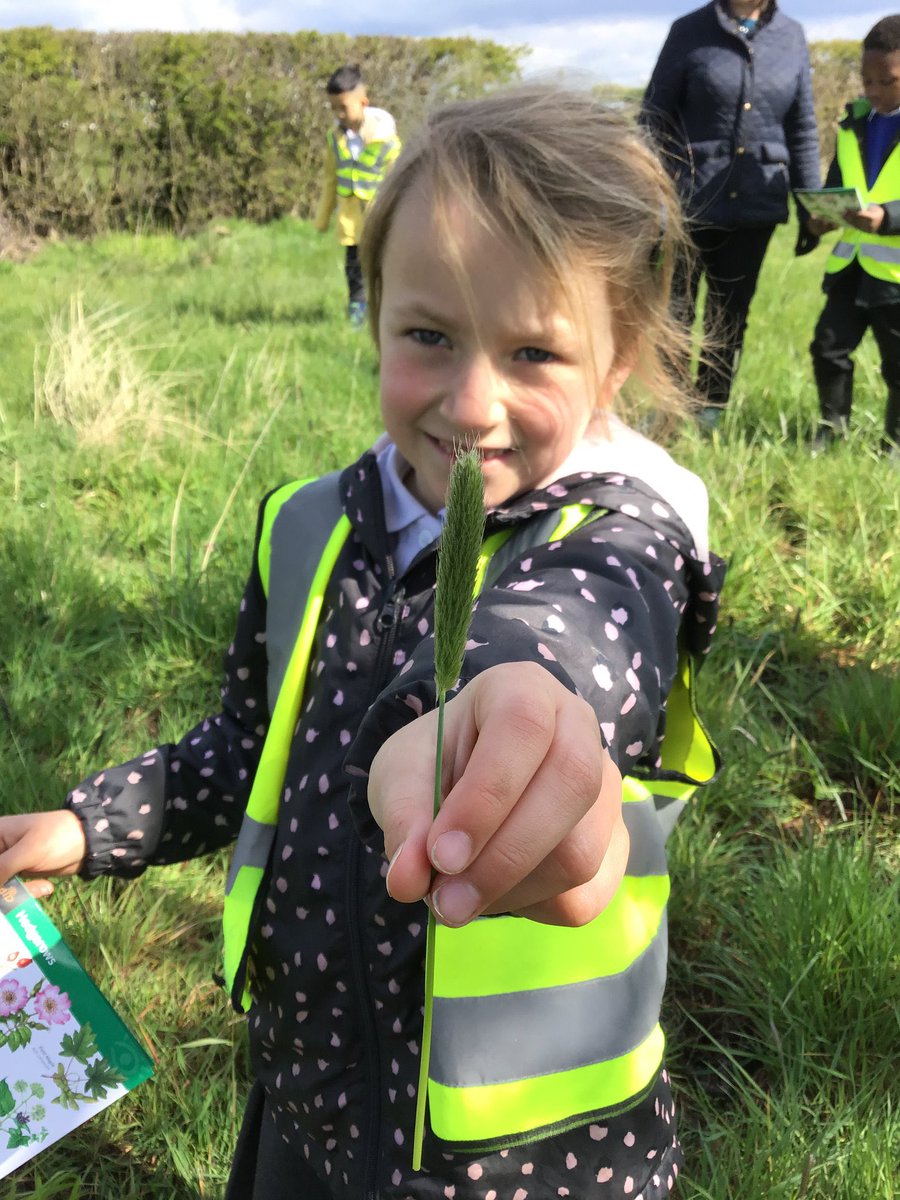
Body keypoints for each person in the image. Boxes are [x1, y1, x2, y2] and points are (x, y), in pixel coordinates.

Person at [0, 88, 726, 1199]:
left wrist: (519, 701)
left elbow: (570, 636)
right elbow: (251, 744)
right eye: (430, 336)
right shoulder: (308, 524)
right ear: (375, 311)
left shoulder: (625, 540)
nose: (474, 402)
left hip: (521, 1151)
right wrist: (88, 826)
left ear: (619, 360)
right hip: (307, 1086)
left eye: (535, 352)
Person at [640, 0, 821, 425]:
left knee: (731, 314)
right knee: (674, 311)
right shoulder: (689, 30)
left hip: (757, 200)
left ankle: (711, 408)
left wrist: (812, 201)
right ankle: (668, 408)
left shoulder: (791, 36)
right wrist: (650, 192)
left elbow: (801, 127)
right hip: (688, 200)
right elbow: (653, 117)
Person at [807, 15, 900, 459]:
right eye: (866, 79)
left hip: (896, 275)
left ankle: (895, 445)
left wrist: (889, 217)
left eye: (888, 81)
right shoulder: (854, 123)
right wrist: (821, 216)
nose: (874, 91)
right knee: (828, 348)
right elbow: (837, 185)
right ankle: (831, 430)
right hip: (851, 265)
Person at [314, 64, 400, 328]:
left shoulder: (386, 139)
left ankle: (388, 314)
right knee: (354, 269)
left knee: (383, 268)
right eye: (333, 109)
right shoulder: (335, 139)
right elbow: (330, 179)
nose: (339, 115)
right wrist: (322, 218)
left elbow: (399, 180)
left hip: (380, 219)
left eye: (344, 108)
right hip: (350, 221)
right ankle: (357, 312)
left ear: (363, 102)